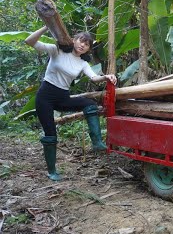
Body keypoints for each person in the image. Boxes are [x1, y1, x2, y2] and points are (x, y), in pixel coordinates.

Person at [25, 26, 117, 181]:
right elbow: (29, 41)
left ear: (88, 48)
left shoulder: (82, 63)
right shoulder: (57, 51)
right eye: (81, 40)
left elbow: (94, 77)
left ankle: (97, 142)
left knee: (89, 104)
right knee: (50, 134)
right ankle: (52, 171)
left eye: (87, 44)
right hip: (45, 96)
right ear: (74, 40)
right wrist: (47, 26)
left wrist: (106, 77)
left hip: (63, 97)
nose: (82, 45)